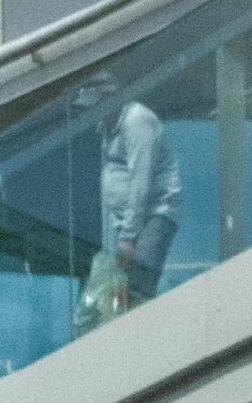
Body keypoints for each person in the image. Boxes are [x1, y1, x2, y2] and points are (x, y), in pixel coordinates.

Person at [78, 67, 182, 319]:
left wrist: (127, 236)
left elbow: (140, 182)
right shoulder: (108, 126)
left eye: (95, 106)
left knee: (137, 287)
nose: (91, 113)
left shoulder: (136, 120)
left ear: (111, 100)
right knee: (123, 291)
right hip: (130, 223)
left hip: (154, 215)